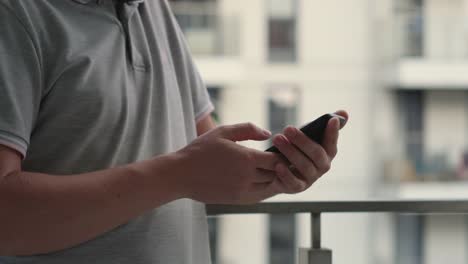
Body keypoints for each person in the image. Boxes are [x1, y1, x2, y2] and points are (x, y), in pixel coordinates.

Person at [0, 0, 348, 263]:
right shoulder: (15, 14)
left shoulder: (153, 8)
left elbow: (203, 172)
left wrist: (275, 172)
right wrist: (177, 175)